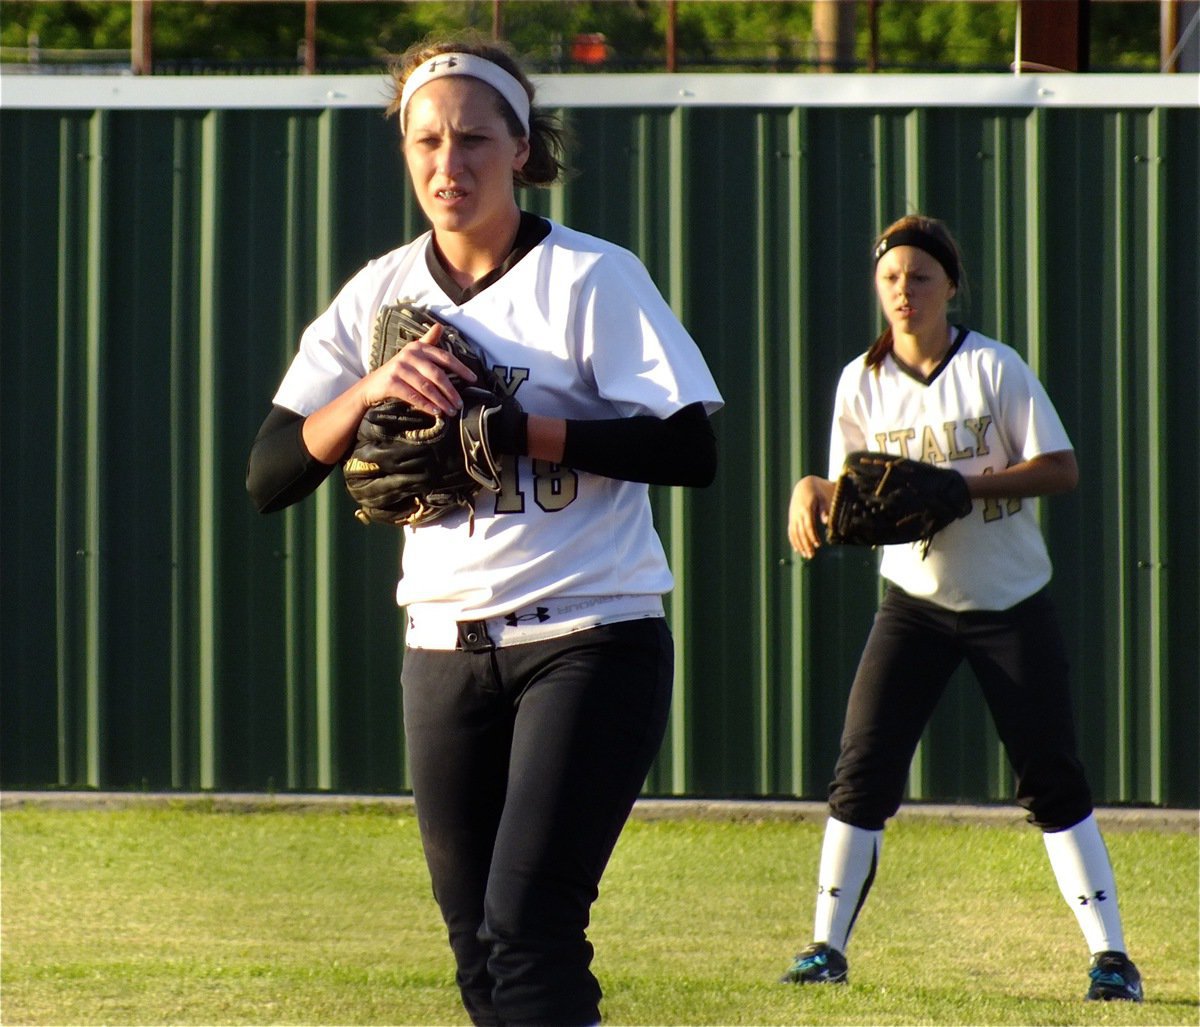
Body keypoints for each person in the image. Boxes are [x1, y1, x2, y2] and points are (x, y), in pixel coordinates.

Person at [245, 33, 722, 1027]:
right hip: (444, 648)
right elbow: (272, 471)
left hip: (589, 634)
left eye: (472, 139)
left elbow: (687, 449)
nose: (446, 164)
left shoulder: (590, 278)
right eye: (425, 141)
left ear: (521, 148)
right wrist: (370, 388)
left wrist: (513, 429)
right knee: (478, 954)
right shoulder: (379, 293)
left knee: (528, 927)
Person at [781, 214, 1142, 1002]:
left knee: (1052, 774)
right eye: (890, 278)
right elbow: (851, 491)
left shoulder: (993, 367)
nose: (903, 292)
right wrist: (812, 490)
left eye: (919, 277)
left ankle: (1112, 957)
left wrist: (966, 487)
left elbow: (1062, 468)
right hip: (913, 600)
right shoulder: (861, 380)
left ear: (951, 284)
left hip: (1010, 601)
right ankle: (823, 948)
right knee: (862, 770)